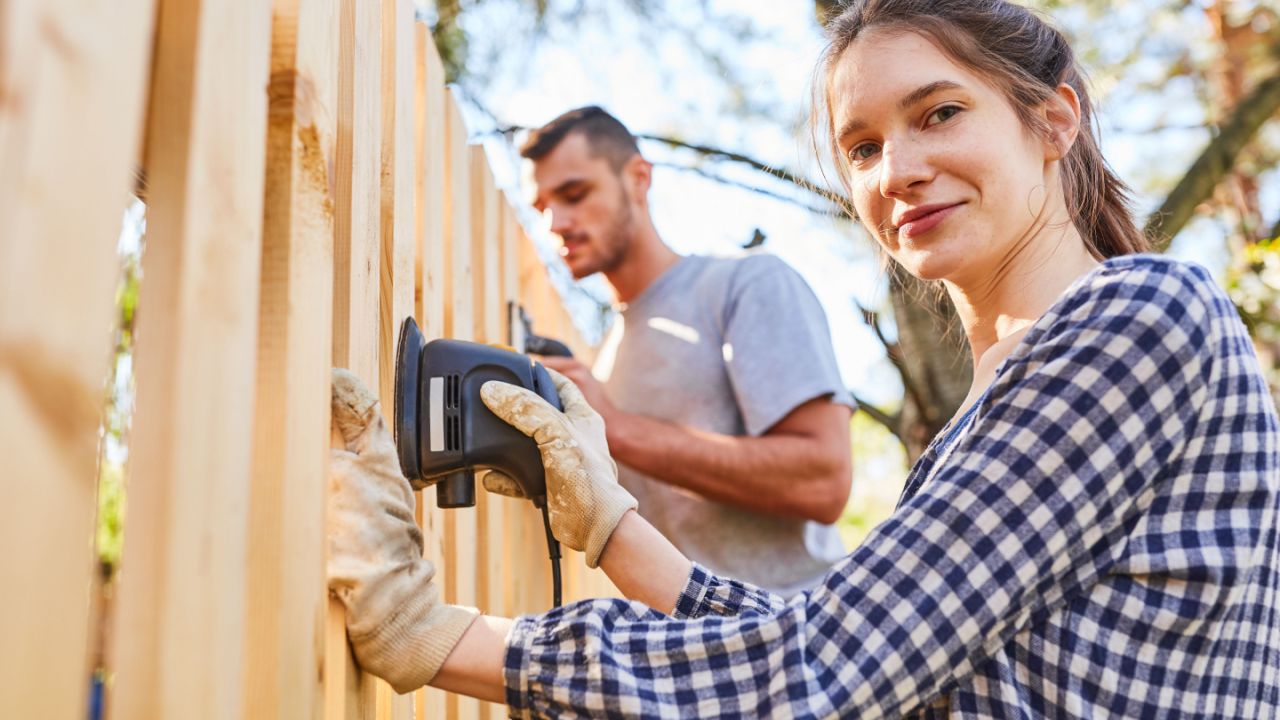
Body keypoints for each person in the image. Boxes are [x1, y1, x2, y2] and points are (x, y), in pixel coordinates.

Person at [324, 0, 1280, 717]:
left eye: (939, 113)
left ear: (1054, 120)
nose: (896, 171)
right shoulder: (998, 401)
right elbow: (841, 640)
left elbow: (829, 670)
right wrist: (612, 525)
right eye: (861, 147)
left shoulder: (1138, 316)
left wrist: (435, 637)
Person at [501, 106, 855, 596]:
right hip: (685, 659)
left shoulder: (745, 284)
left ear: (638, 178)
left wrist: (616, 430)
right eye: (541, 208)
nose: (556, 223)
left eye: (575, 194)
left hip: (806, 636)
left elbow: (823, 481)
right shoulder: (602, 359)